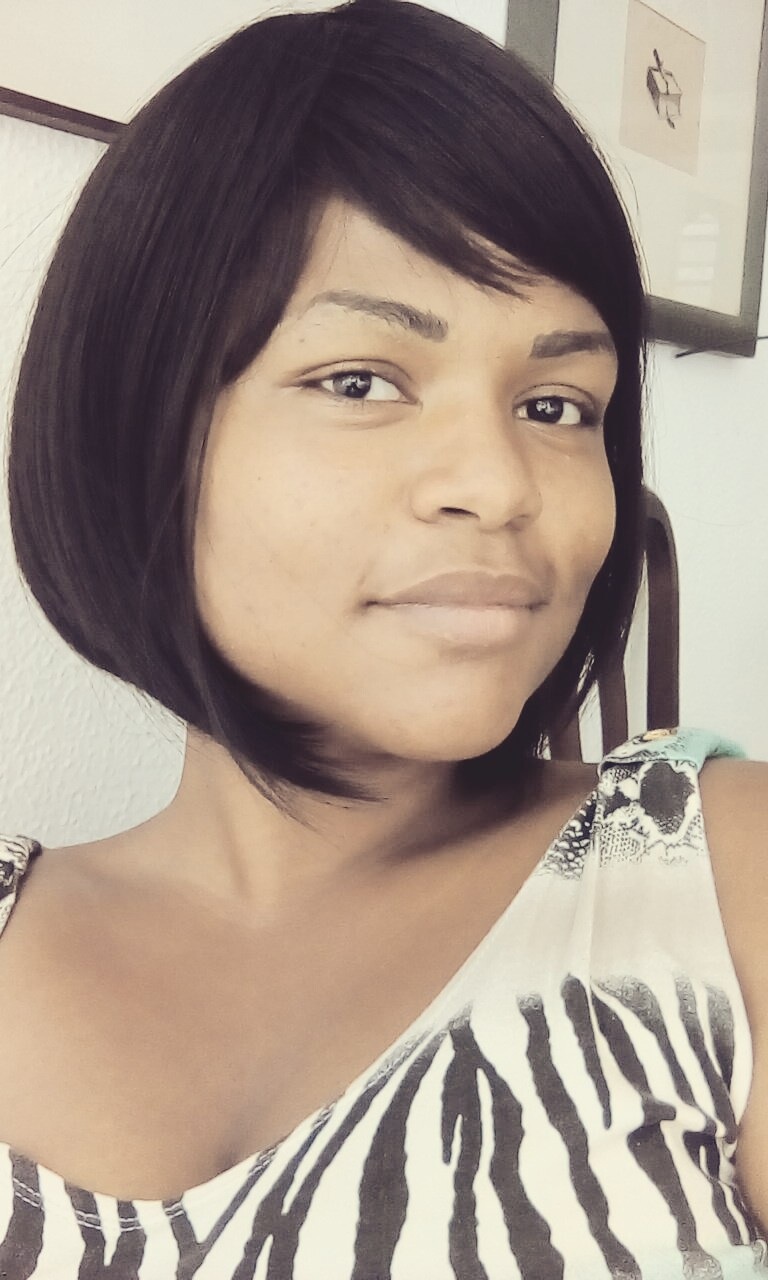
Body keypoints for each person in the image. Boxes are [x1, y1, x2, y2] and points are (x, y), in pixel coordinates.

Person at [0, 0, 766, 1274]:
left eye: (557, 404)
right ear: (139, 426)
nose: (501, 485)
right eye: (359, 381)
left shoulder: (722, 877)